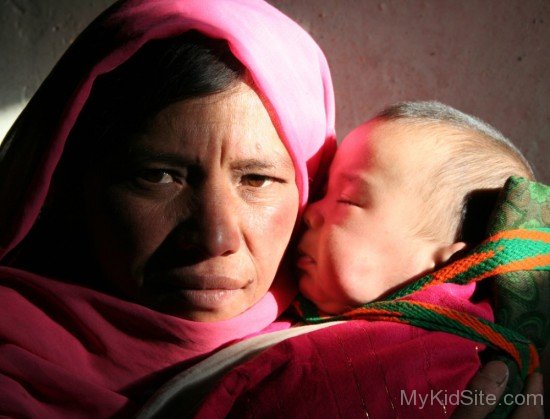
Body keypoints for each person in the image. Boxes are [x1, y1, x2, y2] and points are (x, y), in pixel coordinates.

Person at [0, 0, 541, 417]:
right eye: (158, 175)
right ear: (68, 179)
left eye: (258, 179)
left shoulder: (413, 358)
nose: (214, 238)